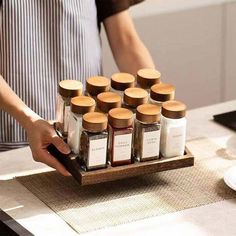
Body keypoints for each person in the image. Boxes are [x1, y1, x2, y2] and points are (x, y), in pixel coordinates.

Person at [0, 0, 154, 176]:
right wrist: (29, 120)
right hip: (14, 142)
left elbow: (125, 42)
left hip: (90, 136)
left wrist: (154, 103)